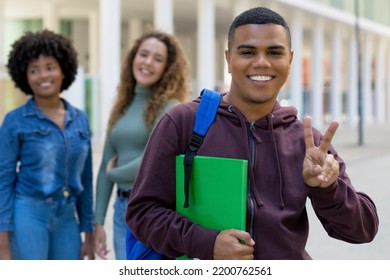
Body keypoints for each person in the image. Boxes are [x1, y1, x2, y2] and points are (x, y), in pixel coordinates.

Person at [125, 7, 379, 260]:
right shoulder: (182, 122)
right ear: (228, 59)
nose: (261, 62)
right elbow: (142, 212)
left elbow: (363, 231)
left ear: (289, 60)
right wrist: (206, 243)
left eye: (274, 52)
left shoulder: (307, 141)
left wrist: (328, 188)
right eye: (247, 52)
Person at [94, 30, 192, 260]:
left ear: (167, 68)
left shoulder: (170, 108)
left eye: (158, 59)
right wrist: (98, 221)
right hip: (120, 209)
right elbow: (102, 168)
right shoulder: (121, 106)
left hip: (150, 210)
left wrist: (114, 172)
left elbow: (155, 160)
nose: (148, 62)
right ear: (133, 58)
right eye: (144, 54)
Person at [0, 29, 94, 260]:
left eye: (50, 67)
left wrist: (88, 230)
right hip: (28, 215)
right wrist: (2, 244)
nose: (43, 76)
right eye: (34, 70)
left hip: (66, 218)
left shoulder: (80, 118)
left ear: (64, 70)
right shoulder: (15, 121)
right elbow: (3, 179)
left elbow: (86, 179)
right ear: (24, 76)